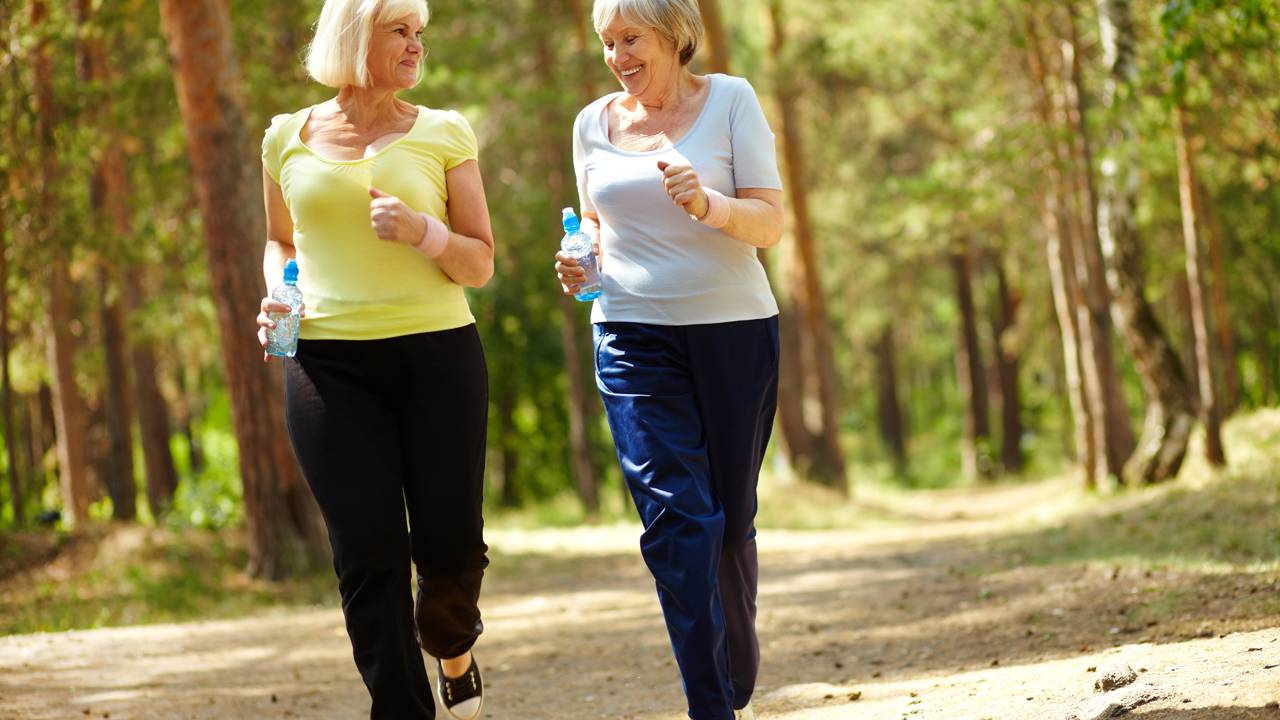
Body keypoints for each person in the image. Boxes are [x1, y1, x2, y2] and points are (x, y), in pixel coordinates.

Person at [255, 1, 492, 718]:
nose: (417, 45)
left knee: (449, 549)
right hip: (326, 366)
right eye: (401, 31)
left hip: (438, 357)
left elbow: (479, 262)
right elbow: (280, 239)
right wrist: (279, 295)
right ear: (355, 37)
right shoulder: (284, 137)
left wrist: (424, 233)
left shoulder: (443, 132)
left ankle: (451, 644)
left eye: (420, 34)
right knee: (366, 552)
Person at [554, 1, 785, 718]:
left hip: (734, 330)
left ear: (674, 34)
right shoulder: (592, 123)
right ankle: (710, 705)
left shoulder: (732, 100)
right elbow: (595, 222)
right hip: (630, 334)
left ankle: (731, 663)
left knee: (729, 521)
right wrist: (581, 257)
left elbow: (770, 222)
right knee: (677, 520)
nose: (617, 56)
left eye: (631, 39)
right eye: (607, 42)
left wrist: (710, 205)